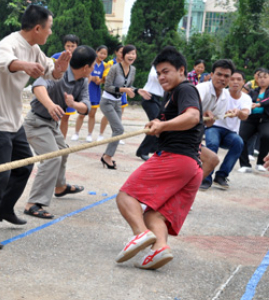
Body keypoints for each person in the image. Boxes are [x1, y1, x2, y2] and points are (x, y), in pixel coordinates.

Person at [0, 5, 70, 250]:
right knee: (0, 174)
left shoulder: (35, 49)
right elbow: (7, 63)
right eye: (49, 29)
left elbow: (52, 71)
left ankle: (4, 208)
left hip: (14, 122)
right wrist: (24, 66)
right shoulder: (8, 44)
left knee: (25, 165)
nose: (50, 33)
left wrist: (61, 67)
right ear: (38, 28)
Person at [115, 46, 203, 270]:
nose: (162, 77)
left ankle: (141, 234)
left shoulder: (185, 89)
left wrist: (162, 124)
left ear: (181, 70)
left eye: (166, 71)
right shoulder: (173, 94)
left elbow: (192, 116)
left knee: (126, 196)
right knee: (156, 214)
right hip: (192, 167)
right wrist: (160, 126)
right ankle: (159, 249)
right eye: (159, 73)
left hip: (175, 158)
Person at [23, 45, 95, 219]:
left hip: (51, 125)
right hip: (36, 123)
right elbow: (38, 86)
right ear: (85, 67)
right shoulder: (59, 72)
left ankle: (60, 187)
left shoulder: (82, 81)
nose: (94, 69)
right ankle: (33, 203)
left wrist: (74, 104)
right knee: (52, 157)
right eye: (92, 66)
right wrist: (50, 105)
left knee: (63, 151)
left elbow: (86, 107)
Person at [100, 45, 151, 169]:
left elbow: (129, 86)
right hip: (107, 101)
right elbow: (107, 86)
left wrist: (138, 90)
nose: (132, 56)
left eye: (134, 54)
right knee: (119, 130)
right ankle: (107, 156)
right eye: (129, 53)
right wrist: (124, 90)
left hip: (117, 102)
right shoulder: (114, 68)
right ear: (122, 55)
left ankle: (108, 156)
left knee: (117, 130)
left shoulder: (132, 69)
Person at [203, 70, 251, 189]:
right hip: (214, 127)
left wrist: (238, 112)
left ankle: (221, 176)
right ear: (228, 81)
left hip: (230, 132)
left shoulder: (246, 98)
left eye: (239, 79)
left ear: (243, 82)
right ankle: (205, 178)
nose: (235, 82)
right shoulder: (221, 93)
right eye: (232, 79)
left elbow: (245, 114)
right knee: (212, 143)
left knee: (239, 142)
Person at [195, 59, 235, 190]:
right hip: (177, 132)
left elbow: (210, 123)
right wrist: (201, 113)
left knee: (212, 160)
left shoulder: (225, 96)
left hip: (193, 135)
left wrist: (208, 120)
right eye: (219, 74)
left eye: (226, 76)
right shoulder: (202, 89)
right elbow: (189, 112)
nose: (222, 78)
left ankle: (183, 195)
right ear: (211, 75)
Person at [71, 45, 108, 142]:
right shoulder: (90, 62)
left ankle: (90, 134)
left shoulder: (105, 65)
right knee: (82, 114)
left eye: (105, 54)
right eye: (101, 53)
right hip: (86, 90)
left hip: (95, 91)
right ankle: (76, 133)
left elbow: (104, 79)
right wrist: (91, 78)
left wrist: (100, 81)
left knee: (92, 114)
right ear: (96, 52)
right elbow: (85, 75)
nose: (102, 55)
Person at [238, 68, 269, 172]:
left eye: (265, 77)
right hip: (251, 119)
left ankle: (261, 163)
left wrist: (259, 104)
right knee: (240, 138)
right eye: (260, 77)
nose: (262, 80)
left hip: (265, 119)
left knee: (266, 136)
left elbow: (267, 101)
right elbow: (245, 100)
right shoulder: (252, 91)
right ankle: (245, 165)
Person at [51, 34, 80, 138]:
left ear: (77, 47)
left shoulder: (80, 59)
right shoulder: (56, 56)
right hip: (56, 91)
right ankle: (52, 138)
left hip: (70, 93)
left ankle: (62, 141)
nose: (70, 48)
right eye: (68, 46)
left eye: (73, 46)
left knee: (65, 118)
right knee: (53, 116)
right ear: (64, 46)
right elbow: (48, 71)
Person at [135, 66, 165, 161]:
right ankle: (143, 151)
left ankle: (154, 148)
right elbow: (154, 76)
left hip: (159, 99)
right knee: (155, 123)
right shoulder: (156, 66)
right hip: (149, 97)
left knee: (162, 122)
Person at [97, 45, 126, 142]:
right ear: (116, 52)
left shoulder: (127, 64)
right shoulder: (111, 63)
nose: (122, 54)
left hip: (122, 92)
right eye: (121, 52)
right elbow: (106, 77)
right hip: (111, 92)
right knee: (108, 114)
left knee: (119, 114)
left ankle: (117, 136)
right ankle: (100, 134)